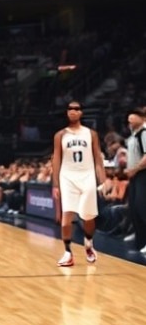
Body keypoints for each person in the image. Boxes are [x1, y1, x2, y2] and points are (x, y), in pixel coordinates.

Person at [51, 101, 106, 266]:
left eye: (76, 109)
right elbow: (56, 160)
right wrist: (55, 184)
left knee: (88, 216)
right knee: (67, 215)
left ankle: (88, 242)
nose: (73, 111)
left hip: (87, 175)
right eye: (70, 109)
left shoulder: (91, 134)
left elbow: (98, 159)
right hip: (67, 176)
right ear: (67, 113)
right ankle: (68, 252)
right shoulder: (60, 135)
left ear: (81, 113)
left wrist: (102, 181)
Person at [124, 108, 146, 253]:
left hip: (143, 174)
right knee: (134, 209)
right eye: (128, 119)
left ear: (142, 118)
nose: (130, 121)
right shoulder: (133, 135)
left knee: (142, 207)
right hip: (134, 175)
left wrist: (134, 169)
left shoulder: (144, 133)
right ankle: (140, 241)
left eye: (133, 118)